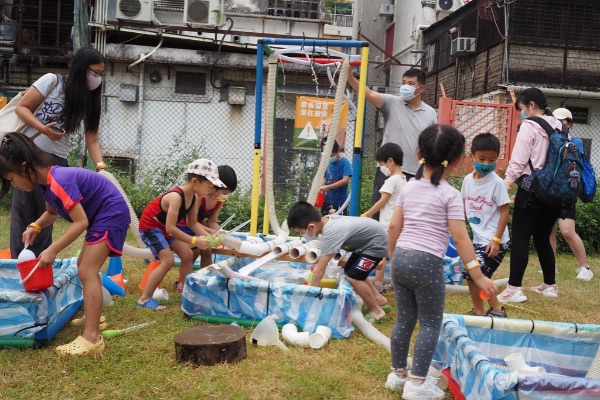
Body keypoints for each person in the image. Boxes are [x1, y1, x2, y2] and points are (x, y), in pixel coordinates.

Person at [385, 124, 497, 398]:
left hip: (401, 258)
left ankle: (397, 374)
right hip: (427, 264)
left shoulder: (409, 188)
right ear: (459, 161)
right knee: (431, 323)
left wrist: (391, 258)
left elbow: (393, 227)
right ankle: (417, 383)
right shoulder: (449, 194)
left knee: (404, 320)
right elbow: (460, 239)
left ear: (419, 153)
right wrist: (478, 274)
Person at [0, 133, 130, 357]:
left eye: (12, 180)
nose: (16, 187)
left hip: (110, 214)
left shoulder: (59, 180)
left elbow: (81, 222)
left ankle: (91, 339)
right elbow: (52, 214)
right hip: (103, 215)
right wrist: (36, 226)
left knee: (87, 270)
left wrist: (52, 249)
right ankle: (95, 318)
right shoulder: (46, 184)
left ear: (24, 167)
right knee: (84, 268)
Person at [11, 47, 107, 260]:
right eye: (95, 72)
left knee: (48, 214)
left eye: (100, 74)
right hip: (29, 154)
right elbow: (22, 108)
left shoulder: (90, 98)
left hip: (56, 162)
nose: (97, 78)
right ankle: (19, 263)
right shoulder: (52, 81)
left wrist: (101, 167)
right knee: (23, 212)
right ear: (81, 68)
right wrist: (42, 128)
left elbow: (92, 138)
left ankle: (40, 263)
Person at [498, 88, 565, 302]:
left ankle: (514, 288)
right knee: (543, 237)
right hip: (554, 191)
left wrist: (506, 184)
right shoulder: (560, 126)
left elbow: (519, 161)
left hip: (531, 190)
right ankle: (549, 285)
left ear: (532, 105)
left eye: (522, 109)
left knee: (520, 237)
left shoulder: (529, 126)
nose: (522, 113)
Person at [346, 68, 437, 220]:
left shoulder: (430, 113)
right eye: (403, 83)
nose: (405, 86)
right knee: (378, 213)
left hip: (414, 173)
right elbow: (369, 93)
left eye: (410, 83)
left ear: (421, 88)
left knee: (405, 217)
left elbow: (432, 143)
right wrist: (350, 78)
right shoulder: (392, 102)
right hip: (387, 171)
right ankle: (375, 243)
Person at [137, 159, 224, 310]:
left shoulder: (194, 198)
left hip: (163, 227)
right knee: (168, 260)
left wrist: (210, 239)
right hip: (151, 226)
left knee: (187, 254)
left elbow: (193, 224)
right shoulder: (176, 197)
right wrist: (194, 240)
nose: (210, 191)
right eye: (209, 186)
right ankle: (144, 299)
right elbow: (171, 228)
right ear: (195, 181)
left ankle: (186, 290)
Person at [287, 201, 390, 323]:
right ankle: (378, 298)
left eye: (302, 232)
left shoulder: (331, 232)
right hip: (368, 241)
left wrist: (310, 294)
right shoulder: (327, 221)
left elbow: (321, 269)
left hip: (376, 244)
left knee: (354, 277)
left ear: (311, 227)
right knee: (350, 270)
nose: (303, 235)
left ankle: (376, 310)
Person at [461, 133, 511, 317]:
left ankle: (494, 311)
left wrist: (496, 240)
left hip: (494, 240)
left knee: (477, 274)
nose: (487, 164)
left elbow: (505, 212)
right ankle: (483, 311)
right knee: (473, 275)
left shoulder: (497, 183)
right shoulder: (467, 181)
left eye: (492, 160)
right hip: (477, 239)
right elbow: (464, 207)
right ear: (472, 155)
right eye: (482, 159)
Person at [175, 165, 238, 289]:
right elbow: (191, 222)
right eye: (224, 192)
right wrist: (211, 234)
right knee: (194, 252)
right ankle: (183, 283)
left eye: (227, 194)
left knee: (207, 249)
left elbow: (212, 221)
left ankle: (204, 280)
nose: (225, 196)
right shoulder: (199, 196)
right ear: (214, 185)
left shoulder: (219, 199)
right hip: (184, 226)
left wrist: (220, 232)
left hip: (198, 227)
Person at [550, 108, 592, 281]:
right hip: (549, 190)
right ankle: (550, 266)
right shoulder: (549, 140)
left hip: (567, 191)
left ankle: (585, 267)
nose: (560, 124)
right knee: (548, 231)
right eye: (556, 121)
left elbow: (573, 159)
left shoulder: (576, 142)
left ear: (570, 123)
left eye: (564, 121)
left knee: (567, 231)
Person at [361, 143, 406, 291]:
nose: (381, 168)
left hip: (387, 225)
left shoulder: (391, 180)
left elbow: (382, 201)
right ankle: (395, 283)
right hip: (398, 224)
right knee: (394, 256)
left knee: (381, 254)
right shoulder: (403, 180)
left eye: (381, 164)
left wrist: (368, 214)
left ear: (390, 161)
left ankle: (378, 284)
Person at [319, 141, 352, 215]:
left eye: (332, 155)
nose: (330, 157)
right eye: (328, 155)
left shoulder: (345, 162)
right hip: (327, 200)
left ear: (338, 151)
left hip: (340, 201)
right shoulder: (326, 162)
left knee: (339, 222)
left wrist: (328, 187)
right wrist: (322, 187)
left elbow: (345, 180)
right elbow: (324, 178)